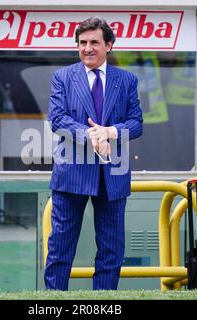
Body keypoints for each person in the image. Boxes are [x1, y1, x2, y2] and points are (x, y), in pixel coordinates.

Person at [44, 16, 143, 290]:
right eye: (82, 43)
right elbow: (58, 119)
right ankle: (54, 302)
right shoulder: (63, 77)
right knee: (60, 248)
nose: (87, 48)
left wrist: (110, 132)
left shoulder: (126, 80)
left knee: (111, 251)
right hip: (71, 174)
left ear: (109, 45)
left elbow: (137, 124)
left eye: (94, 43)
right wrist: (90, 134)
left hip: (112, 175)